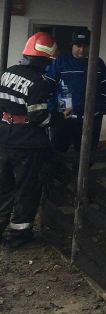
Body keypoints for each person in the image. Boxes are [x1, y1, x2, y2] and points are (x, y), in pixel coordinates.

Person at [0, 32, 57, 248]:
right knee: (26, 189)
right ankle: (18, 236)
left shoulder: (7, 73)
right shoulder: (39, 82)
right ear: (44, 59)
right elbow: (38, 117)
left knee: (3, 187)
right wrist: (56, 119)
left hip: (3, 137)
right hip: (27, 143)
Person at [47, 28, 106, 153]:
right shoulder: (61, 60)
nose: (81, 50)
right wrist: (53, 110)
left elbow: (105, 88)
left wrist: (99, 110)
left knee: (87, 153)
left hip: (90, 119)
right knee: (57, 152)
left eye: (85, 46)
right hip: (64, 118)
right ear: (72, 45)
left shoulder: (98, 63)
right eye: (78, 46)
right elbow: (48, 85)